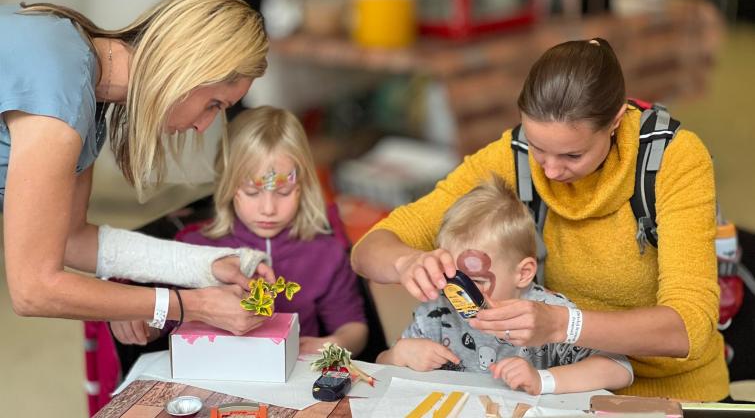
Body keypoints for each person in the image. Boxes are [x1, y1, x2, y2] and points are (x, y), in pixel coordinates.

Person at [352, 38, 729, 400]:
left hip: (672, 392)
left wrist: (562, 324)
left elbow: (689, 326)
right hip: (559, 389)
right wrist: (406, 261)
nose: (548, 171)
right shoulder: (512, 157)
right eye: (537, 148)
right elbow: (369, 249)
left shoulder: (673, 160)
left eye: (572, 156)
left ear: (615, 120)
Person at [1, 0, 276, 336]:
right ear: (186, 67)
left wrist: (208, 265)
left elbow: (73, 240)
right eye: (213, 104)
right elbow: (34, 289)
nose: (203, 126)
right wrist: (193, 306)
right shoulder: (63, 91)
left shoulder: (86, 91)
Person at [111, 106, 369, 355]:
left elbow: (353, 327)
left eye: (283, 192)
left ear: (304, 186)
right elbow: (162, 322)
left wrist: (333, 344)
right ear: (227, 184)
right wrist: (138, 320)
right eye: (252, 192)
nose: (268, 208)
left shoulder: (325, 252)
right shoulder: (193, 249)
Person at [376, 176, 634, 395]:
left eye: (474, 281)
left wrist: (542, 379)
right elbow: (381, 365)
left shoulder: (549, 314)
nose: (458, 293)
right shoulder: (438, 312)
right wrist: (399, 355)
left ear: (523, 273)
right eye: (450, 277)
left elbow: (619, 370)